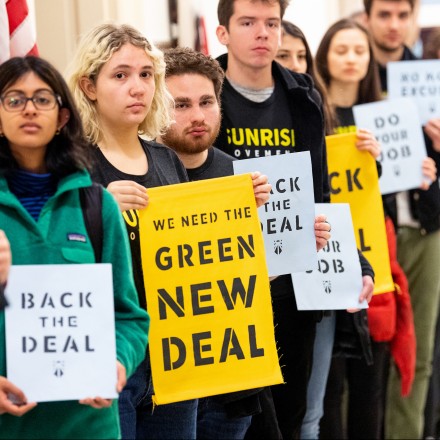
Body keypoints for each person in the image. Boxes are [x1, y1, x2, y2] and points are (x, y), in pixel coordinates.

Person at [68, 23, 272, 440]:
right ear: (89, 86)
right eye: (120, 75)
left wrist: (237, 210)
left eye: (146, 74)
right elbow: (49, 255)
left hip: (175, 354)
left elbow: (192, 251)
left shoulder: (165, 159)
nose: (137, 87)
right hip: (110, 352)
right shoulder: (72, 164)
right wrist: (95, 208)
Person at [214, 1, 371, 438]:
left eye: (272, 23)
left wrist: (356, 262)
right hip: (229, 287)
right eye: (248, 23)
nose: (262, 33)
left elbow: (321, 194)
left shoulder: (303, 96)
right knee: (234, 423)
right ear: (223, 33)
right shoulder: (206, 95)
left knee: (292, 415)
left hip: (293, 288)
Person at [0, 56, 149, 439]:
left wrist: (117, 361)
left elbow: (129, 317)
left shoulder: (97, 206)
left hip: (89, 425)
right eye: (14, 99)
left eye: (42, 99)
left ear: (62, 117)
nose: (29, 109)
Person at [275, 20, 377, 440]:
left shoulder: (314, 112)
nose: (295, 65)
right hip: (275, 279)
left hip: (322, 266)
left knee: (312, 410)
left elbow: (330, 200)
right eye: (285, 55)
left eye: (302, 56)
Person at [364, 1, 440, 437]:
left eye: (402, 15)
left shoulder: (428, 78)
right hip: (374, 229)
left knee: (419, 349)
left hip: (426, 226)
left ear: (413, 18)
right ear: (368, 17)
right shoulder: (356, 75)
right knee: (367, 350)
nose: (394, 25)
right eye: (384, 15)